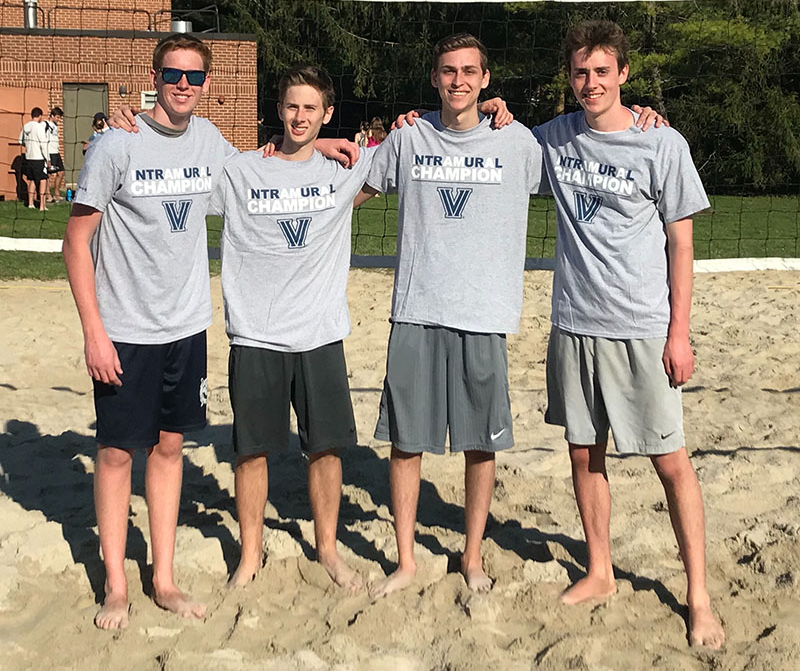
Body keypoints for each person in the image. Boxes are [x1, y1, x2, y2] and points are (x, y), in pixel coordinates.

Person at [533, 20, 725, 649]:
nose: (591, 83)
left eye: (602, 72)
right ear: (570, 77)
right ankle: (600, 569)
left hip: (642, 327)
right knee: (584, 451)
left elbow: (682, 243)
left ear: (623, 75)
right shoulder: (554, 138)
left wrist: (680, 333)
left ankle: (698, 595)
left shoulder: (661, 143)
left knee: (670, 461)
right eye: (581, 72)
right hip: (574, 322)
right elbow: (486, 139)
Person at [63, 33, 241, 631]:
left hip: (186, 327)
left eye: (194, 76)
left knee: (169, 448)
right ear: (155, 76)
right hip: (126, 329)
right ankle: (116, 585)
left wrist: (319, 140)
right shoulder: (117, 145)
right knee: (116, 453)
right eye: (173, 75)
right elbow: (76, 242)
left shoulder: (211, 140)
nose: (183, 85)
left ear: (207, 83)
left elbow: (266, 168)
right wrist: (95, 332)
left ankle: (161, 578)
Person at [362, 33, 543, 598]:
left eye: (469, 71)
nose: (459, 80)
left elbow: (590, 146)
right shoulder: (409, 136)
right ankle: (407, 560)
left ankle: (471, 556)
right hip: (417, 309)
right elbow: (349, 186)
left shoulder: (516, 141)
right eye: (448, 71)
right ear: (435, 78)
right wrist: (295, 151)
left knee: (479, 442)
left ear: (486, 80)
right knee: (406, 441)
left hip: (483, 312)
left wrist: (643, 116)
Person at [213, 65, 377, 591]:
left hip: (319, 333)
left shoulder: (344, 170)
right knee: (251, 451)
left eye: (312, 108)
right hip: (256, 335)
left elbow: (418, 138)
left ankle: (327, 549)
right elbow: (179, 167)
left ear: (327, 113)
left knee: (325, 448)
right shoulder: (242, 171)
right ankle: (250, 554)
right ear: (277, 109)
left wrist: (495, 110)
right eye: (291, 106)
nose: (300, 115)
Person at [18, 107, 49, 210]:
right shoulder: (39, 127)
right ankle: (42, 205)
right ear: (40, 116)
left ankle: (31, 203)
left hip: (29, 157)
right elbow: (43, 144)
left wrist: (28, 145)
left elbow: (20, 141)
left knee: (31, 180)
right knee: (43, 180)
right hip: (39, 158)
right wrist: (47, 159)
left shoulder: (25, 126)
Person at [45, 107, 65, 202]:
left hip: (56, 152)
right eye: (57, 117)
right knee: (48, 174)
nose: (58, 119)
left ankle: (56, 193)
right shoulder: (45, 125)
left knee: (61, 172)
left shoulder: (55, 125)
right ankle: (48, 195)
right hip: (49, 152)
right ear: (52, 116)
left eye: (59, 117)